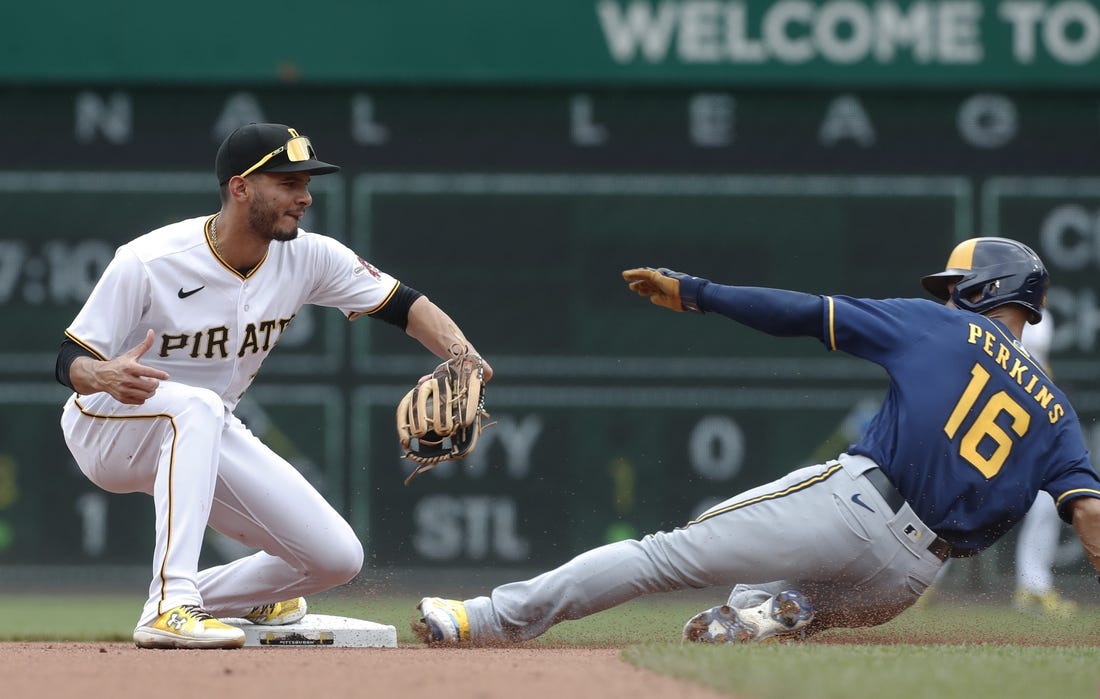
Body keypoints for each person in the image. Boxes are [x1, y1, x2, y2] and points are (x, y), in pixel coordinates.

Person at [415, 237, 1100, 645]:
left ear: (986, 288)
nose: (947, 298)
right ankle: (777, 612)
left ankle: (487, 618)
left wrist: (701, 292)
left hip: (856, 509)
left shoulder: (940, 327)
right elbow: (1091, 518)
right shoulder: (1058, 413)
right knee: (751, 603)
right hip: (907, 580)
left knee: (663, 555)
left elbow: (806, 313)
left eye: (957, 287)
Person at [55, 122, 492, 649]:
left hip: (205, 430)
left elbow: (403, 303)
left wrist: (464, 356)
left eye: (306, 183)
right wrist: (101, 373)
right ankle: (170, 606)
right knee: (196, 406)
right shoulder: (151, 260)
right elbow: (69, 358)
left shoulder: (309, 256)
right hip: (107, 426)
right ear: (240, 187)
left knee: (335, 558)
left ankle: (215, 597)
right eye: (288, 183)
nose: (304, 197)